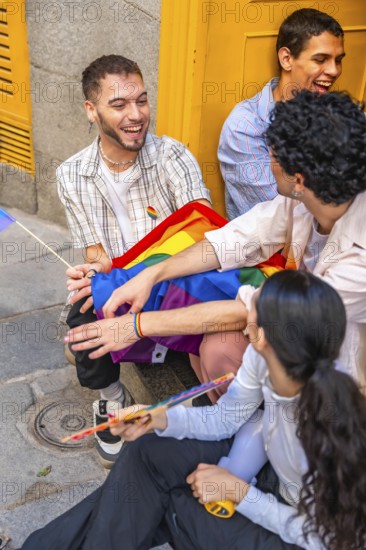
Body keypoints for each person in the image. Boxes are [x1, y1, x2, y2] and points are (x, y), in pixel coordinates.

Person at [21, 271, 366, 549]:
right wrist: (159, 417)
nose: (243, 305)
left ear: (259, 335)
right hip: (263, 467)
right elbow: (224, 419)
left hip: (297, 526)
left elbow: (327, 538)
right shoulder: (267, 358)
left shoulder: (333, 426)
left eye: (251, 306)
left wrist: (239, 494)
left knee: (172, 503)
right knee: (148, 453)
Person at [65, 90, 366, 395]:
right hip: (285, 322)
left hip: (332, 370)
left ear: (299, 180)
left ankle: (251, 424)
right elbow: (229, 242)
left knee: (218, 344)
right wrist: (149, 275)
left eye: (272, 157)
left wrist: (136, 327)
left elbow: (251, 309)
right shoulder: (303, 200)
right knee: (213, 339)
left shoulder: (358, 264)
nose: (269, 163)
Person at [58, 54, 211, 467]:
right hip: (122, 282)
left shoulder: (172, 157)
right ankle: (112, 399)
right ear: (91, 111)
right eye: (120, 104)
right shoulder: (71, 174)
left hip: (177, 283)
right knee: (81, 317)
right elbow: (97, 255)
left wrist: (146, 275)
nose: (136, 115)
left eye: (142, 101)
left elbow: (202, 235)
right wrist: (93, 273)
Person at [219, 8, 345, 219]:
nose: (334, 71)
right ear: (286, 59)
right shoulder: (245, 127)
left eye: (338, 60)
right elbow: (282, 221)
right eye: (321, 59)